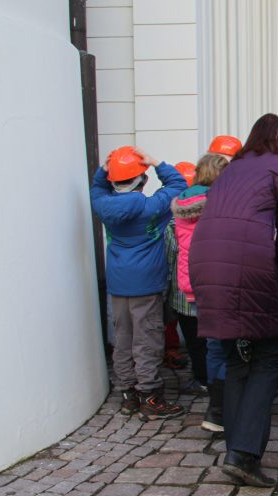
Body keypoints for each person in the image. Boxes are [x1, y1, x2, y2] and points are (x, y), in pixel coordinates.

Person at [189, 114, 278, 486]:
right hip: (248, 266)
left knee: (238, 359)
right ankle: (243, 454)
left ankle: (234, 446)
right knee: (267, 359)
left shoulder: (231, 168)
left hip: (207, 263)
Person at [90, 146, 187, 420]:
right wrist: (156, 162)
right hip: (146, 283)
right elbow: (178, 183)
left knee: (123, 338)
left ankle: (127, 394)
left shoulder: (102, 204)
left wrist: (105, 170)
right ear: (142, 181)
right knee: (147, 339)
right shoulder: (151, 208)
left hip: (119, 283)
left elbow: (97, 188)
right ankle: (150, 396)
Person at [169, 154, 231, 431]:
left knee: (207, 342)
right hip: (215, 279)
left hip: (190, 282)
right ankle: (222, 403)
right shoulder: (218, 204)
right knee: (224, 345)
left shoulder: (182, 204)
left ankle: (211, 393)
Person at [164, 161, 208, 396]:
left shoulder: (173, 223)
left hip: (183, 293)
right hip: (210, 287)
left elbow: (170, 259)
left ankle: (201, 379)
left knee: (194, 341)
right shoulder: (215, 215)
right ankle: (217, 377)